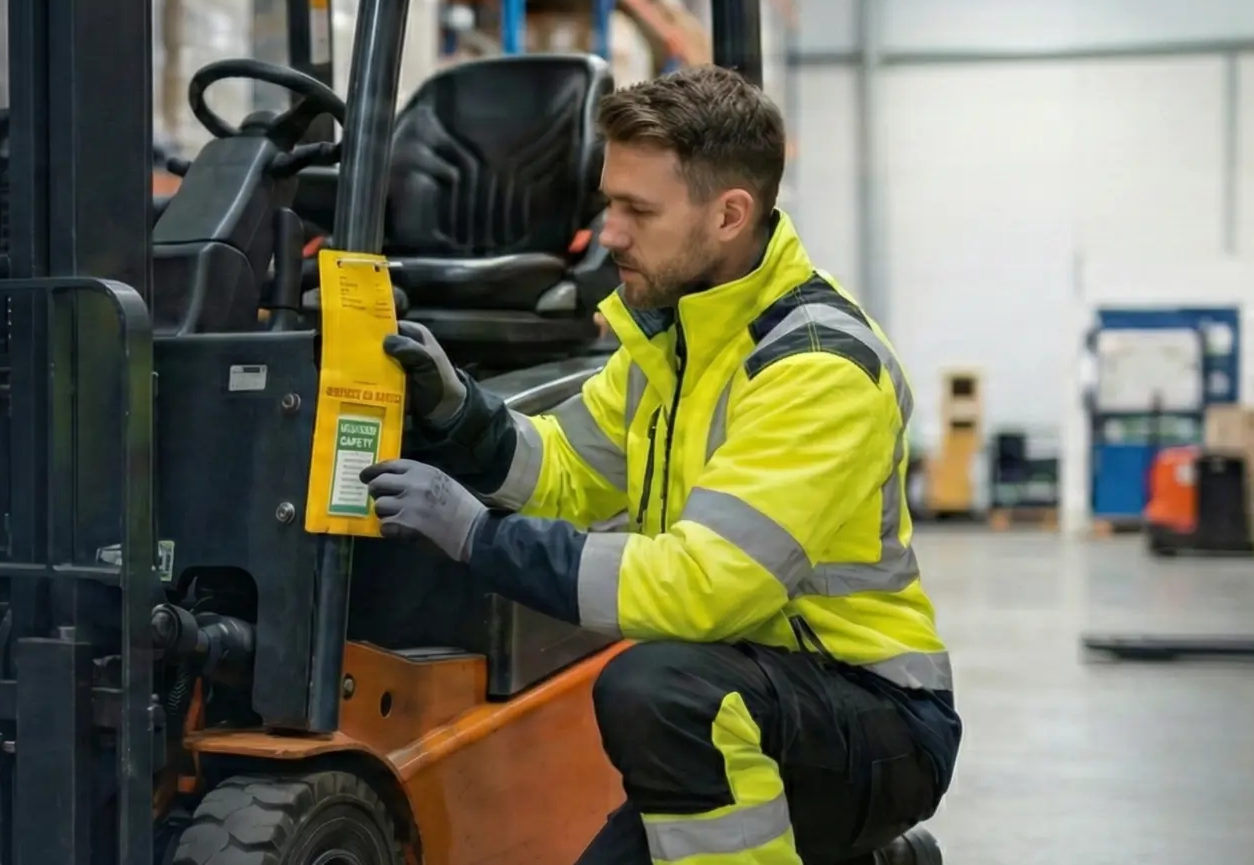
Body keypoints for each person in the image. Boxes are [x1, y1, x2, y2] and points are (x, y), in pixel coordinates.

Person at [360, 66, 958, 865]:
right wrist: (460, 415)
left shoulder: (817, 368)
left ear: (729, 215)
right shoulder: (675, 340)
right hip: (743, 689)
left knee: (655, 688)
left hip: (871, 712)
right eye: (610, 203)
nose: (608, 234)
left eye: (638, 211)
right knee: (674, 693)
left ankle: (854, 839)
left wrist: (479, 537)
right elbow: (566, 470)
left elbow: (705, 587)